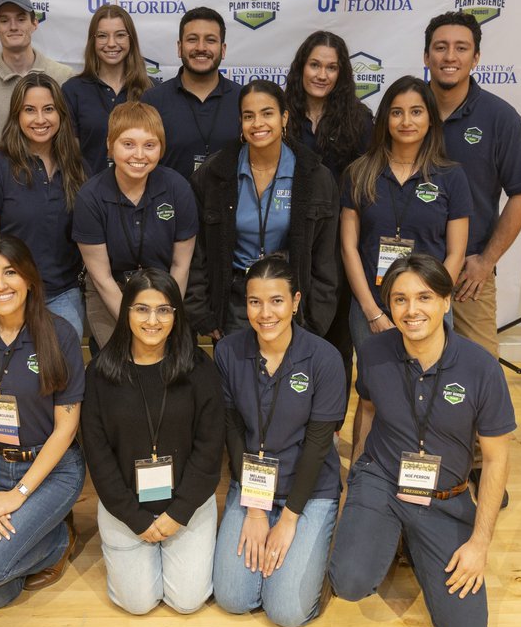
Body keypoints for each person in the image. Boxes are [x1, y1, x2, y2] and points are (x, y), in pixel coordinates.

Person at [329, 254, 514, 627]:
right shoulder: (375, 353)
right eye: (399, 300)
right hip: (382, 482)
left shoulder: (482, 368)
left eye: (424, 297)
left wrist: (480, 544)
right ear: (389, 306)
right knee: (349, 581)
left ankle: (407, 542)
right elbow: (369, 408)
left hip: (445, 497)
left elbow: (497, 459)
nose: (412, 310)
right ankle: (387, 533)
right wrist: (357, 485)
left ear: (447, 302)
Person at [212, 257, 348, 627]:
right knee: (233, 598)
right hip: (253, 485)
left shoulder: (324, 359)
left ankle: (316, 561)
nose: (265, 313)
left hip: (308, 489)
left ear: (296, 301)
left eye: (276, 301)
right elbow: (232, 431)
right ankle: (281, 568)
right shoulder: (227, 353)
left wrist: (288, 520)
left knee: (286, 612)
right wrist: (256, 511)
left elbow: (320, 446)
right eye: (255, 301)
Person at [0, 235, 86, 608]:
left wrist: (18, 495)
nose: (0, 285)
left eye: (10, 272)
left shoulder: (60, 334)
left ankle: (59, 540)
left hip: (53, 468)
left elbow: (66, 428)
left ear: (28, 278)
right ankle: (48, 536)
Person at [340, 75, 471, 454]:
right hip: (372, 307)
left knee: (428, 392)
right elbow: (349, 247)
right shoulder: (359, 172)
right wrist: (371, 310)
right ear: (385, 119)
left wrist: (428, 302)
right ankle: (365, 475)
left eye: (416, 111)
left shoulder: (451, 176)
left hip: (428, 306)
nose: (406, 121)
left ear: (430, 118)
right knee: (370, 394)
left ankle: (420, 470)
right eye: (396, 112)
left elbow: (456, 252)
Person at [81, 269, 223, 615]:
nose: (152, 321)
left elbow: (209, 450)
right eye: (141, 309)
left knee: (187, 602)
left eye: (163, 310)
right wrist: (135, 519)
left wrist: (178, 514)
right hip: (126, 506)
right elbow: (98, 457)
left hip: (187, 506)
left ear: (177, 314)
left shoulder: (199, 369)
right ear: (126, 311)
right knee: (137, 604)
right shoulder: (100, 373)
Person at [186, 79, 339, 341]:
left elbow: (327, 259)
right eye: (249, 116)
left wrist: (314, 321)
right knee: (237, 380)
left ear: (284, 118)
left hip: (292, 304)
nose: (257, 124)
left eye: (267, 113)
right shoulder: (213, 176)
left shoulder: (315, 178)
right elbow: (196, 253)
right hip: (236, 302)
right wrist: (202, 313)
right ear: (241, 123)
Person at [424, 11, 521, 358]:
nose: (450, 57)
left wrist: (486, 261)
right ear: (426, 55)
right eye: (441, 47)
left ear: (476, 58)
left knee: (481, 370)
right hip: (409, 265)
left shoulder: (499, 117)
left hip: (467, 274)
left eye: (461, 48)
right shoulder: (406, 110)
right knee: (402, 370)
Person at [285, 30, 374, 391]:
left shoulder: (360, 119)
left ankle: (331, 428)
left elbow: (369, 185)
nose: (321, 75)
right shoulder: (282, 115)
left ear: (342, 74)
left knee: (338, 338)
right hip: (288, 239)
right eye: (315, 65)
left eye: (331, 67)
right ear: (301, 67)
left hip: (340, 246)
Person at [0, 73, 88, 336]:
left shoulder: (76, 166)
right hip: (10, 295)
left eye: (49, 109)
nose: (40, 119)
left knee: (63, 373)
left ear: (61, 114)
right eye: (29, 110)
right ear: (16, 116)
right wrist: (7, 293)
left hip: (63, 295)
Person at [73, 102, 197, 348]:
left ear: (161, 148)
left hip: (164, 293)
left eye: (149, 145)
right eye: (128, 144)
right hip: (111, 293)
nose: (139, 155)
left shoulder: (177, 188)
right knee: (121, 367)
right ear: (110, 144)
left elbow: (180, 266)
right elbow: (102, 278)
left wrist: (164, 315)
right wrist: (134, 324)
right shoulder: (90, 197)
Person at [141, 7, 240, 178]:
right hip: (169, 204)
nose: (201, 47)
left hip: (232, 204)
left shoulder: (243, 99)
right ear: (179, 47)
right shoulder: (153, 101)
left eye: (210, 40)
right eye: (192, 39)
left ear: (223, 49)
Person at [0, 0, 74, 143]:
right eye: (4, 20)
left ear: (34, 23)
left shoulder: (63, 76)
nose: (13, 27)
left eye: (21, 19)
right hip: (0, 167)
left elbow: (70, 137)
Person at [62, 5, 152, 174]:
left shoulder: (151, 90)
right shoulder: (73, 90)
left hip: (141, 195)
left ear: (130, 40)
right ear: (92, 41)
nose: (111, 43)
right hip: (89, 194)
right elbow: (70, 157)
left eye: (120, 35)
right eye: (102, 36)